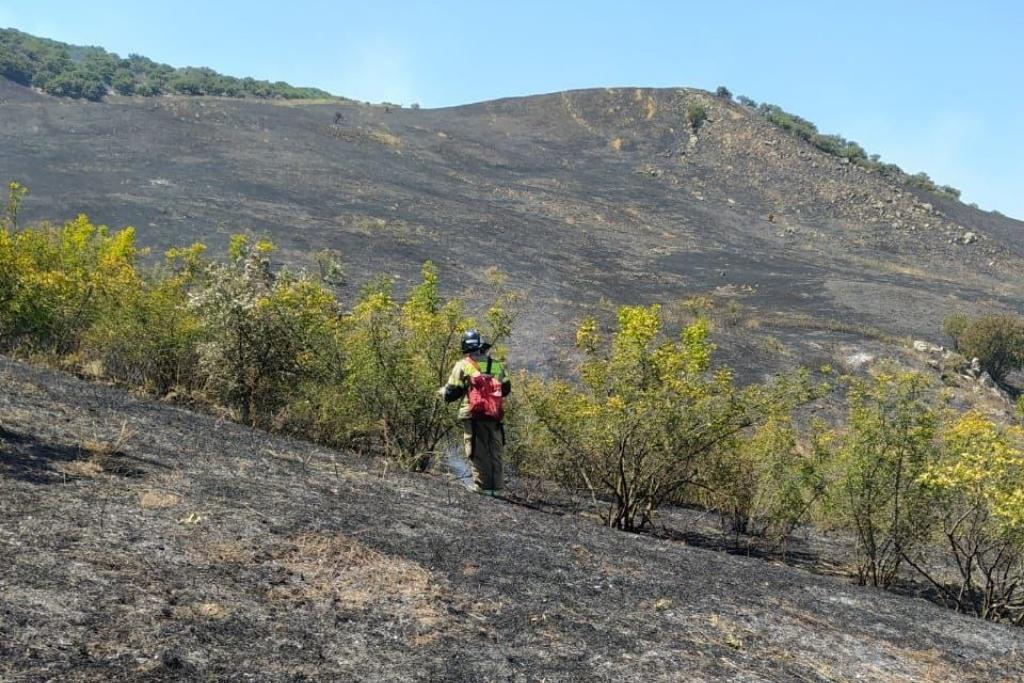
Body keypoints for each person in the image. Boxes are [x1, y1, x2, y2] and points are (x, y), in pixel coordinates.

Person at [438, 330, 512, 495]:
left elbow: (452, 393)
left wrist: (443, 392)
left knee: (477, 450)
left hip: (473, 414)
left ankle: (481, 486)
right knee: (494, 449)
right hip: (494, 415)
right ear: (481, 346)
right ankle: (497, 488)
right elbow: (506, 390)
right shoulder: (497, 365)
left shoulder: (463, 365)